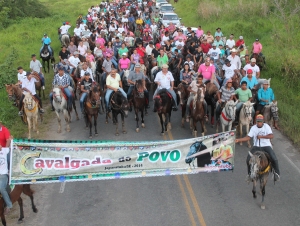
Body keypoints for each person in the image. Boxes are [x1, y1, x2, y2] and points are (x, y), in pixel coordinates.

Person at [235, 114, 280, 182]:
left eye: (260, 121)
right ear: (256, 121)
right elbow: (248, 137)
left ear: (263, 121)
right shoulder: (253, 128)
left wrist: (262, 137)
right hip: (256, 146)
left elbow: (271, 136)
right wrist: (238, 140)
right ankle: (250, 175)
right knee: (248, 159)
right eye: (257, 121)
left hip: (266, 146)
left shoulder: (266, 126)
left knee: (274, 158)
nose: (259, 123)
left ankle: (276, 174)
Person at [0, 121, 13, 215]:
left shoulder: (4, 130)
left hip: (3, 174)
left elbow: (8, 139)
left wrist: (6, 148)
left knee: (1, 188)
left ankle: (9, 205)